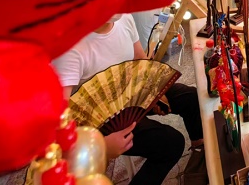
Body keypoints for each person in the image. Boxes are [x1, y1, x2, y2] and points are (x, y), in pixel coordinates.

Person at [52, 14, 205, 185]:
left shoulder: (124, 18)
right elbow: (58, 121)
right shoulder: (70, 49)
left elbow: (140, 61)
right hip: (102, 122)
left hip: (132, 95)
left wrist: (155, 94)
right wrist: (102, 146)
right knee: (171, 143)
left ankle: (199, 150)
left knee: (191, 97)